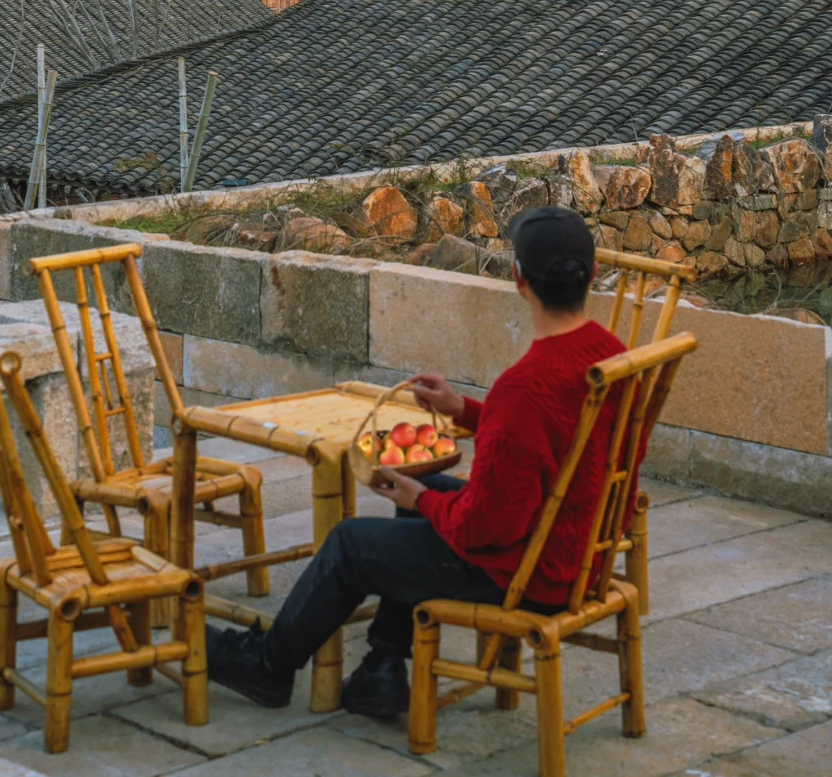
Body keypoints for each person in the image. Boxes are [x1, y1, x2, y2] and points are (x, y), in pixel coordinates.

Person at [205, 205, 630, 718]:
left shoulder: (526, 386)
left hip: (531, 572)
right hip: (577, 547)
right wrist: (465, 411)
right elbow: (558, 435)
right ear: (594, 276)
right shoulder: (611, 356)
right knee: (425, 485)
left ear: (518, 280)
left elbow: (484, 527)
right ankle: (382, 669)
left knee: (352, 542)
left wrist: (423, 501)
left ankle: (269, 665)